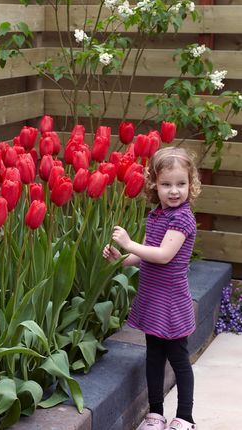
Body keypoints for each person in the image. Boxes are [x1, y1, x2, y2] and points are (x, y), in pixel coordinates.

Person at [103, 146, 201, 430]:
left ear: (190, 184)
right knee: (154, 356)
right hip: (153, 298)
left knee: (178, 358)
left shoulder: (182, 218)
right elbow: (145, 254)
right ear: (154, 185)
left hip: (171, 300)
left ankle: (185, 416)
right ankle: (155, 414)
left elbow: (164, 255)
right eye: (166, 184)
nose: (174, 191)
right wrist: (121, 259)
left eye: (181, 184)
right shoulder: (156, 215)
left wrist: (128, 243)